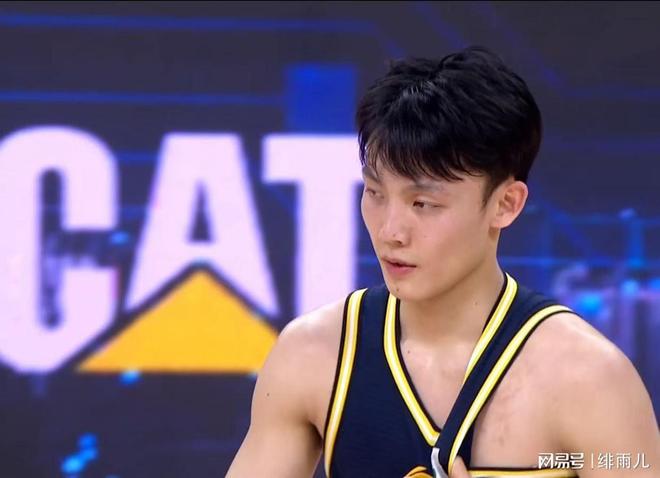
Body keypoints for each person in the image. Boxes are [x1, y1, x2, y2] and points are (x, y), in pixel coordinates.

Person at [226, 46, 659, 477]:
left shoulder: (589, 380)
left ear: (506, 204)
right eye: (375, 193)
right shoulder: (315, 354)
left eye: (423, 203)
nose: (390, 231)